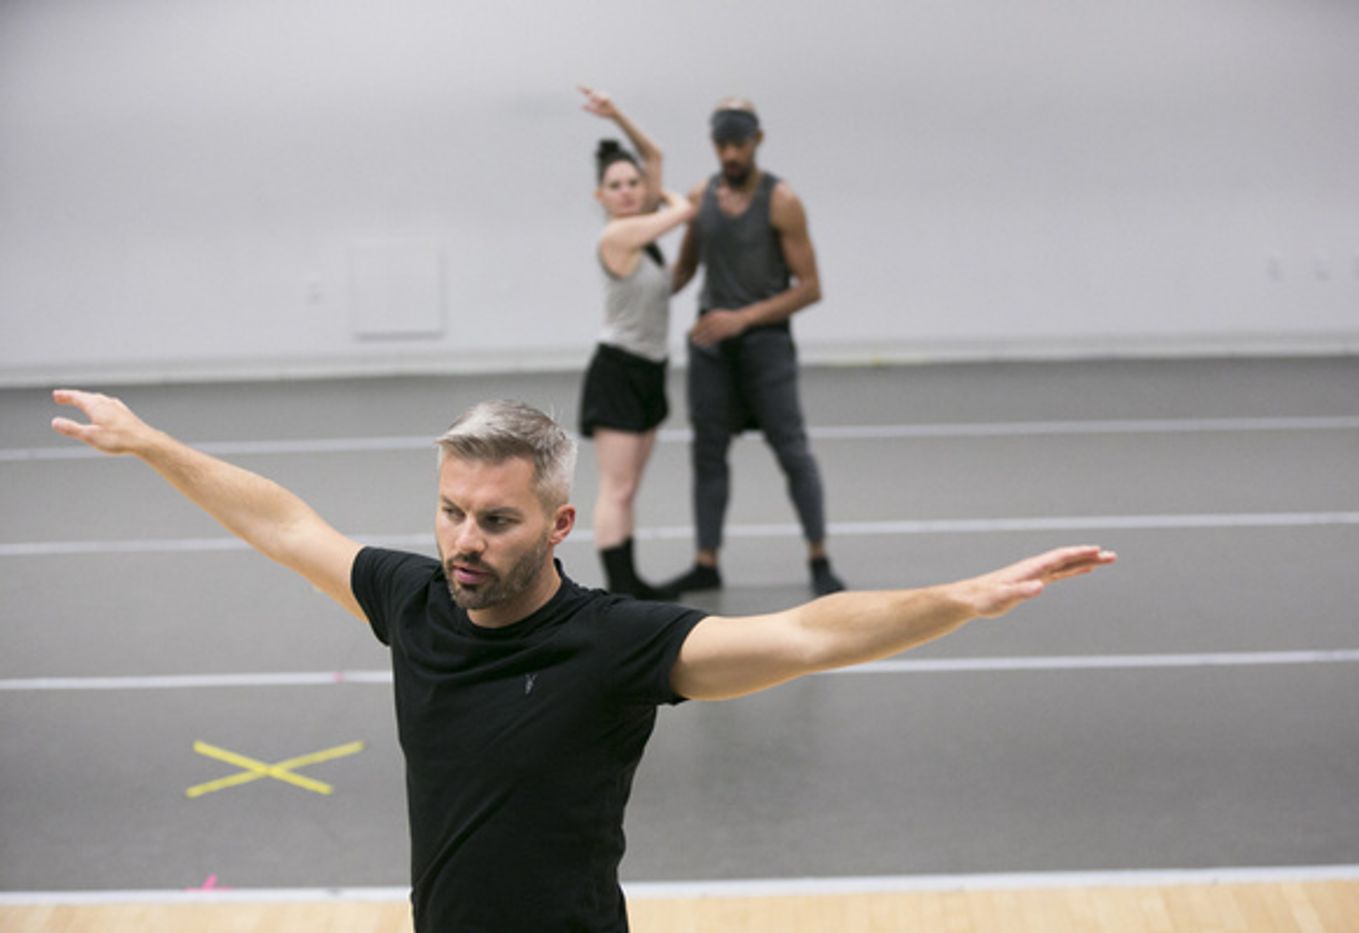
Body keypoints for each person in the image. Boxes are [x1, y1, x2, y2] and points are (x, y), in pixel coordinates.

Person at [50, 388, 1115, 933]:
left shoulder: (615, 646)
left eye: (497, 521)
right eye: (450, 512)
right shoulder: (410, 598)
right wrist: (152, 445)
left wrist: (967, 597)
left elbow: (806, 635)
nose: (464, 541)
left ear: (560, 523)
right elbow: (286, 525)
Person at [666, 97, 844, 597]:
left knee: (792, 451)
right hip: (711, 349)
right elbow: (683, 270)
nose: (730, 154)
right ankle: (706, 561)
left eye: (738, 144)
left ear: (756, 141)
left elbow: (810, 286)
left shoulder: (781, 201)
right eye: (722, 144)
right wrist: (639, 292)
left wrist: (741, 319)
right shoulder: (701, 196)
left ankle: (819, 557)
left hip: (764, 346)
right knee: (707, 453)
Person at [577, 86, 695, 599]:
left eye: (632, 184)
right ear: (600, 197)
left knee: (631, 490)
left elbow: (656, 157)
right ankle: (619, 589)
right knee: (617, 487)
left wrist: (617, 114)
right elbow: (685, 210)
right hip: (618, 371)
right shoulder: (616, 238)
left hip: (651, 368)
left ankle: (632, 583)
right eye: (615, 186)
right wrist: (668, 199)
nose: (626, 190)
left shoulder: (642, 237)